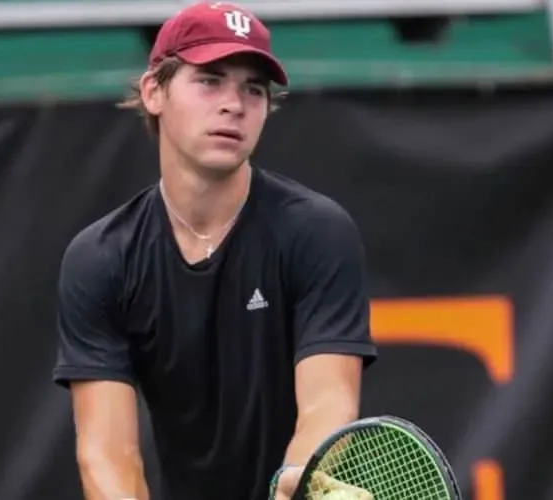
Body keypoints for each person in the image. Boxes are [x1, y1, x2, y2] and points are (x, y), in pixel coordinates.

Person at [51, 2, 378, 499]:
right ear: (154, 92)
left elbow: (328, 403)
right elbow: (107, 453)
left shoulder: (317, 232)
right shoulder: (100, 258)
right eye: (210, 80)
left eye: (254, 89)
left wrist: (296, 482)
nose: (234, 104)